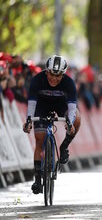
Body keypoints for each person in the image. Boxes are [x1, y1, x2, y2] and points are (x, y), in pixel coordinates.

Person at [22, 55, 81, 194]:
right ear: (46, 71)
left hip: (61, 106)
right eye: (51, 75)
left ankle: (64, 146)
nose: (54, 79)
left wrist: (70, 123)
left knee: (77, 117)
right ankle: (37, 180)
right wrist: (29, 121)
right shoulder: (37, 80)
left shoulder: (69, 83)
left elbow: (72, 108)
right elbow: (31, 105)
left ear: (63, 74)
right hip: (41, 107)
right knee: (39, 141)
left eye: (58, 76)